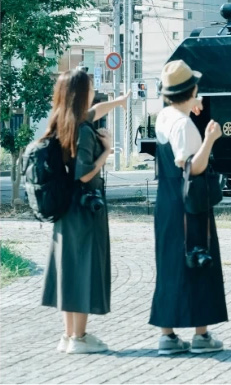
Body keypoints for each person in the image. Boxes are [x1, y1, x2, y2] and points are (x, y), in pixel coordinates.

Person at [41, 69, 129, 354]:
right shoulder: (85, 131)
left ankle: (68, 336)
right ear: (81, 93)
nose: (94, 92)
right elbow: (84, 174)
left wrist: (120, 102)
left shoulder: (62, 120)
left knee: (69, 270)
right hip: (84, 208)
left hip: (65, 208)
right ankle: (80, 338)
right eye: (91, 87)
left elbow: (95, 110)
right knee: (84, 269)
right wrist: (107, 151)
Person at [149, 60, 228, 355]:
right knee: (199, 259)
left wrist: (190, 107)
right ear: (192, 90)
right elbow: (192, 167)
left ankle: (167, 335)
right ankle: (201, 335)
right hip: (191, 204)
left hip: (167, 201)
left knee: (170, 262)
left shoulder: (165, 116)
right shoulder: (184, 125)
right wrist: (209, 139)